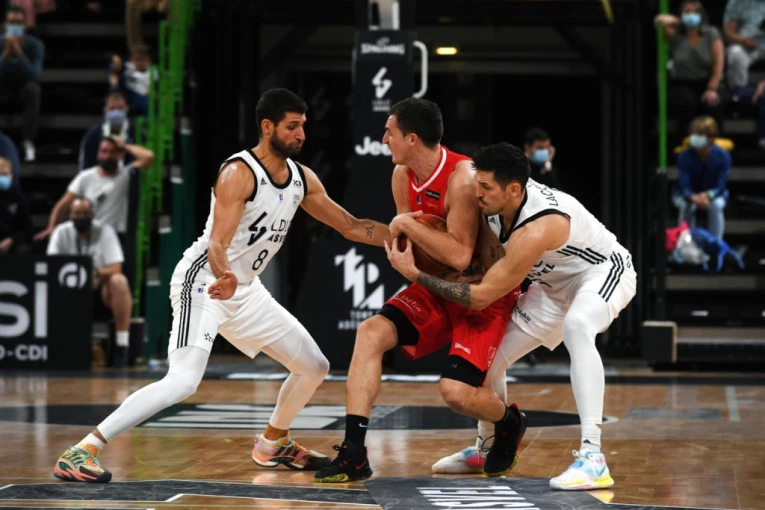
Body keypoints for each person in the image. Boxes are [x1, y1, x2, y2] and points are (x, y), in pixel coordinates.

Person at [53, 88, 393, 483]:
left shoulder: (302, 178)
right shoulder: (238, 172)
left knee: (313, 366)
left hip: (245, 290)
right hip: (204, 282)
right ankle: (83, 449)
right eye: (292, 126)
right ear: (268, 127)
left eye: (303, 126)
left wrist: (407, 237)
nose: (302, 134)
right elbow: (217, 242)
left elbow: (350, 226)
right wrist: (225, 275)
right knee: (183, 381)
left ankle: (273, 442)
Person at [387, 142, 637, 490]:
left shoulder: (538, 226)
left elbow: (481, 298)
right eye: (477, 183)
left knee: (578, 326)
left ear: (514, 190)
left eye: (485, 187)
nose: (476, 193)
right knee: (488, 360)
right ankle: (486, 444)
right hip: (551, 287)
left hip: (602, 272)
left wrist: (415, 274)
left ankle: (593, 457)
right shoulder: (492, 202)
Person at [315, 98, 521, 484]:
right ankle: (354, 452)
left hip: (480, 295)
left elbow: (459, 255)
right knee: (370, 332)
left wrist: (406, 226)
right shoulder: (401, 175)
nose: (383, 139)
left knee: (456, 394)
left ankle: (508, 422)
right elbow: (410, 241)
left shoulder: (461, 177)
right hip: (435, 285)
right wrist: (353, 226)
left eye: (389, 132)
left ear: (411, 139)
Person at [47, 198, 132, 367]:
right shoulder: (61, 232)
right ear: (70, 215)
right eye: (77, 214)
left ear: (92, 214)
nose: (81, 217)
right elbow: (52, 265)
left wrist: (93, 272)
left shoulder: (105, 231)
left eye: (85, 213)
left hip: (98, 289)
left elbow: (116, 267)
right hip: (68, 290)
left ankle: (122, 345)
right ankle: (54, 346)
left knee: (119, 281)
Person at [35, 136, 154, 242]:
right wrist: (51, 227)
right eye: (104, 151)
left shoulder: (126, 174)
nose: (108, 156)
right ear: (98, 154)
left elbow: (148, 156)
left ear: (120, 155)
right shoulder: (85, 177)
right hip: (91, 235)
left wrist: (123, 145)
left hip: (117, 236)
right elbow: (62, 205)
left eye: (113, 152)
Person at [655, 0, 726, 143]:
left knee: (713, 102)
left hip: (708, 82)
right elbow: (659, 20)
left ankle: (715, 145)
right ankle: (686, 143)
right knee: (686, 102)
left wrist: (712, 89)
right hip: (682, 83)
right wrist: (680, 21)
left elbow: (718, 64)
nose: (691, 15)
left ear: (702, 15)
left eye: (695, 12)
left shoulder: (711, 33)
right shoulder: (675, 35)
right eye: (687, 12)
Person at [672, 116, 730, 240]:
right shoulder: (684, 156)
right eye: (693, 134)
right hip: (687, 194)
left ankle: (715, 242)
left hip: (714, 193)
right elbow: (684, 184)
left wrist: (708, 195)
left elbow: (721, 184)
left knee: (716, 206)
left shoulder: (723, 156)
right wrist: (692, 196)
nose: (695, 138)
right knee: (686, 205)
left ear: (711, 137)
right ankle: (685, 242)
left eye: (699, 135)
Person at [0, 6, 44, 162]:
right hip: (2, 88)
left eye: (18, 23)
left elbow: (35, 76)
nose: (15, 27)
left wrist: (19, 54)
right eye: (11, 22)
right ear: (5, 25)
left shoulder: (35, 45)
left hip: (23, 89)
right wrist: (5, 55)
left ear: (25, 25)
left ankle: (28, 141)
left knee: (33, 90)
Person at [79, 92, 135, 170]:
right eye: (112, 108)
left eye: (120, 108)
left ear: (127, 109)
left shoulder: (136, 131)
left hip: (128, 173)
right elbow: (86, 163)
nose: (116, 112)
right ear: (105, 110)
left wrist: (124, 146)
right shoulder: (94, 133)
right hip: (100, 175)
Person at [723, 0, 765, 91]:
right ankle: (739, 92)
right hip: (745, 43)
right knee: (735, 53)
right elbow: (728, 33)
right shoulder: (736, 2)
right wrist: (743, 41)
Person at [0, 156, 31, 255]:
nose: (2, 178)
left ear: (11, 176)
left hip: (13, 243)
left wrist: (11, 240)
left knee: (24, 250)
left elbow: (27, 229)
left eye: (5, 174)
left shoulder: (18, 197)